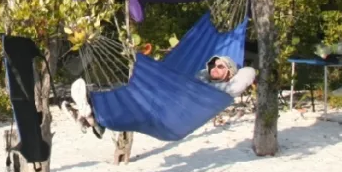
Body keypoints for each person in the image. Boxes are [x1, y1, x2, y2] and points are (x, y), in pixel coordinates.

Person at [65, 55, 256, 136]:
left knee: (138, 102)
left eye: (221, 66)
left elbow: (248, 73)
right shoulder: (202, 79)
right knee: (135, 102)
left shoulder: (222, 91)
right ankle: (93, 117)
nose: (214, 68)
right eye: (213, 65)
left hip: (175, 117)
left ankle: (93, 112)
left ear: (230, 72)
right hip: (167, 104)